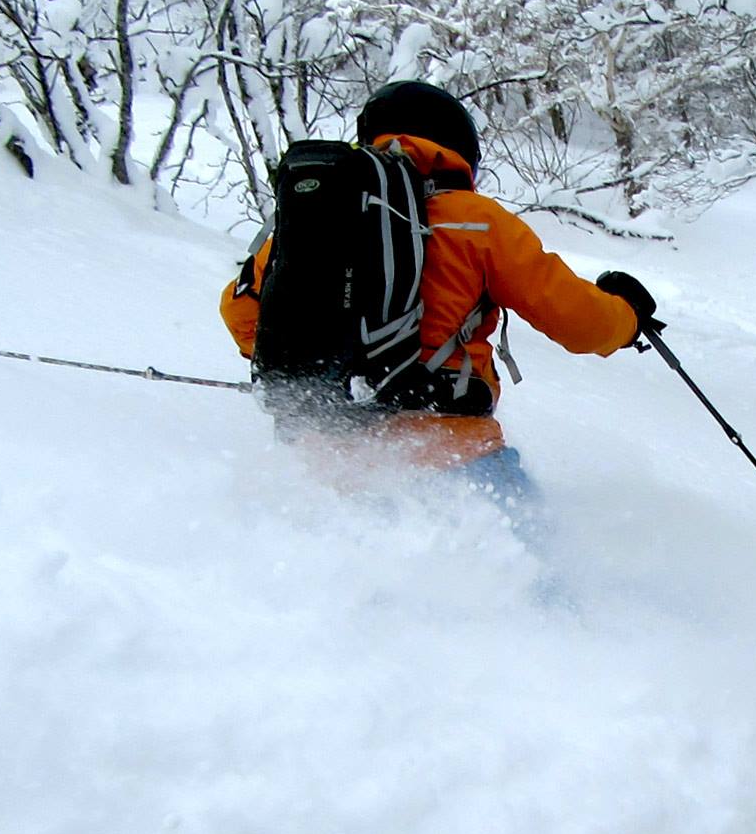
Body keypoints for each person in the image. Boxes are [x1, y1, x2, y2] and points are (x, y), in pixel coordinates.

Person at [218, 81, 660, 512]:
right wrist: (628, 315)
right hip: (451, 457)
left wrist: (330, 360)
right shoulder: (477, 221)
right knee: (539, 562)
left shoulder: (317, 224)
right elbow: (581, 324)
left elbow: (238, 311)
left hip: (327, 468)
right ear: (459, 148)